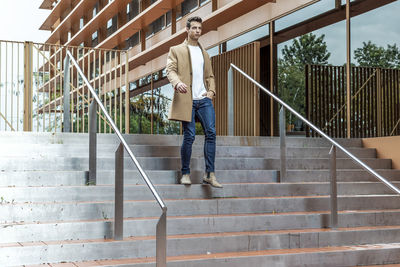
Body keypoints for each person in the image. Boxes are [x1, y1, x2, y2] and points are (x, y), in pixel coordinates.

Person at [166, 16, 222, 188]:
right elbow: (170, 70)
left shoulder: (205, 54)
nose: (198, 30)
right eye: (194, 28)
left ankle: (209, 174)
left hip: (204, 100)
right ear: (187, 30)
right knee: (189, 136)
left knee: (211, 133)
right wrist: (177, 83)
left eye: (200, 28)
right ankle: (185, 173)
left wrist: (211, 92)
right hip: (187, 99)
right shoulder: (176, 50)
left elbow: (210, 76)